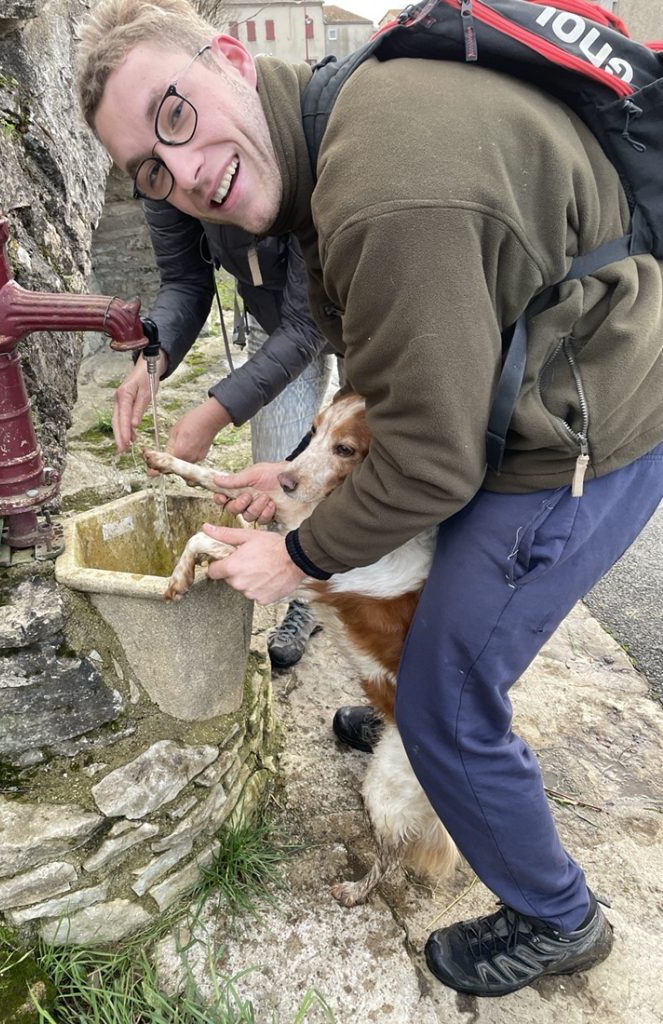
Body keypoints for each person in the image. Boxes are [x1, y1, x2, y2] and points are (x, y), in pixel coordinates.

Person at [75, 0, 663, 997]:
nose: (186, 172)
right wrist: (292, 477)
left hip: (583, 430)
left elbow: (428, 461)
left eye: (175, 115)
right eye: (152, 171)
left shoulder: (384, 188)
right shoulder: (327, 133)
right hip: (518, 391)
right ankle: (417, 722)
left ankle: (556, 915)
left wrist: (296, 555)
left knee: (445, 692)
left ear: (230, 59)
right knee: (435, 644)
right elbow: (387, 389)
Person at [114, 201, 331, 669]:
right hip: (272, 317)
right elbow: (185, 281)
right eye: (149, 174)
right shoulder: (160, 179)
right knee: (282, 483)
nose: (175, 181)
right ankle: (308, 595)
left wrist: (215, 414)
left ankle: (370, 592)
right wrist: (151, 361)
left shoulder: (306, 170)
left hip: (367, 318)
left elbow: (307, 322)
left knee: (372, 458)